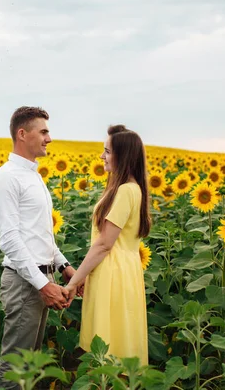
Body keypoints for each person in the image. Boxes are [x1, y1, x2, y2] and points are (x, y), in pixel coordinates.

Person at [0, 106, 76, 389]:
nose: (49, 138)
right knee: (16, 368)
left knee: (31, 364)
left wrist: (63, 266)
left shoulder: (33, 175)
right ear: (22, 134)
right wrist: (42, 284)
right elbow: (11, 239)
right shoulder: (7, 177)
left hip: (41, 277)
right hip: (26, 282)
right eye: (44, 131)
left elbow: (41, 234)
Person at [65, 124, 151, 364]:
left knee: (107, 349)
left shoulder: (125, 191)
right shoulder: (135, 189)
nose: (102, 156)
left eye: (107, 151)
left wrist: (74, 282)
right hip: (126, 272)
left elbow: (104, 244)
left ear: (123, 156)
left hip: (112, 274)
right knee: (121, 342)